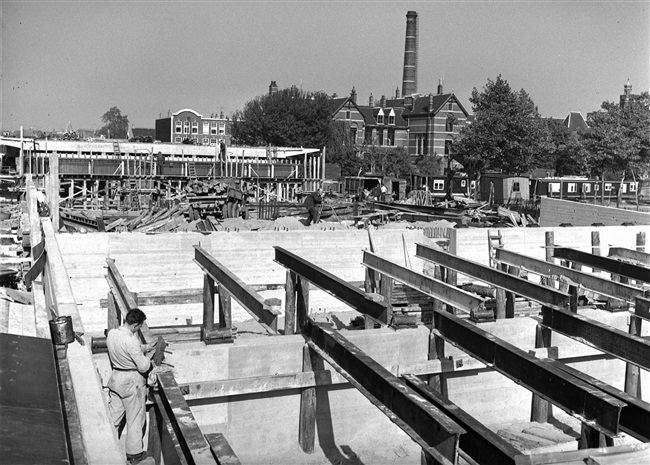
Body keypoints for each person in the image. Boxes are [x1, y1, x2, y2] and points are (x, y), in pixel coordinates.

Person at [106, 309, 156, 465]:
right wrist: (150, 361)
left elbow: (124, 348)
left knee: (113, 417)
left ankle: (106, 446)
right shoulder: (132, 340)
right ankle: (134, 455)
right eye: (139, 327)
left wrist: (143, 348)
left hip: (116, 379)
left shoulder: (112, 333)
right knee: (135, 418)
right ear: (135, 325)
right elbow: (142, 366)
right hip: (131, 383)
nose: (138, 329)